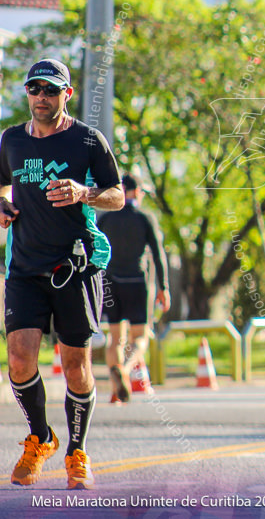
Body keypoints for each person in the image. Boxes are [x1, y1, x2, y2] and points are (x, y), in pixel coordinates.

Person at [0, 59, 124, 490]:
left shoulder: (88, 140)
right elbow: (1, 185)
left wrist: (84, 191)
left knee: (75, 365)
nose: (41, 97)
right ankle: (40, 437)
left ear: (66, 94)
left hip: (75, 267)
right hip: (24, 268)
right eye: (34, 89)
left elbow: (117, 195)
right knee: (18, 360)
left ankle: (76, 453)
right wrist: (2, 204)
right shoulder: (11, 140)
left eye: (50, 90)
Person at [98, 173, 170, 403]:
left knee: (115, 338)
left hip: (109, 282)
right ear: (137, 192)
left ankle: (114, 389)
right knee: (140, 337)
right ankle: (126, 369)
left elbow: (94, 248)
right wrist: (164, 287)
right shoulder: (144, 218)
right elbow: (158, 254)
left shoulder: (106, 219)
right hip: (136, 281)